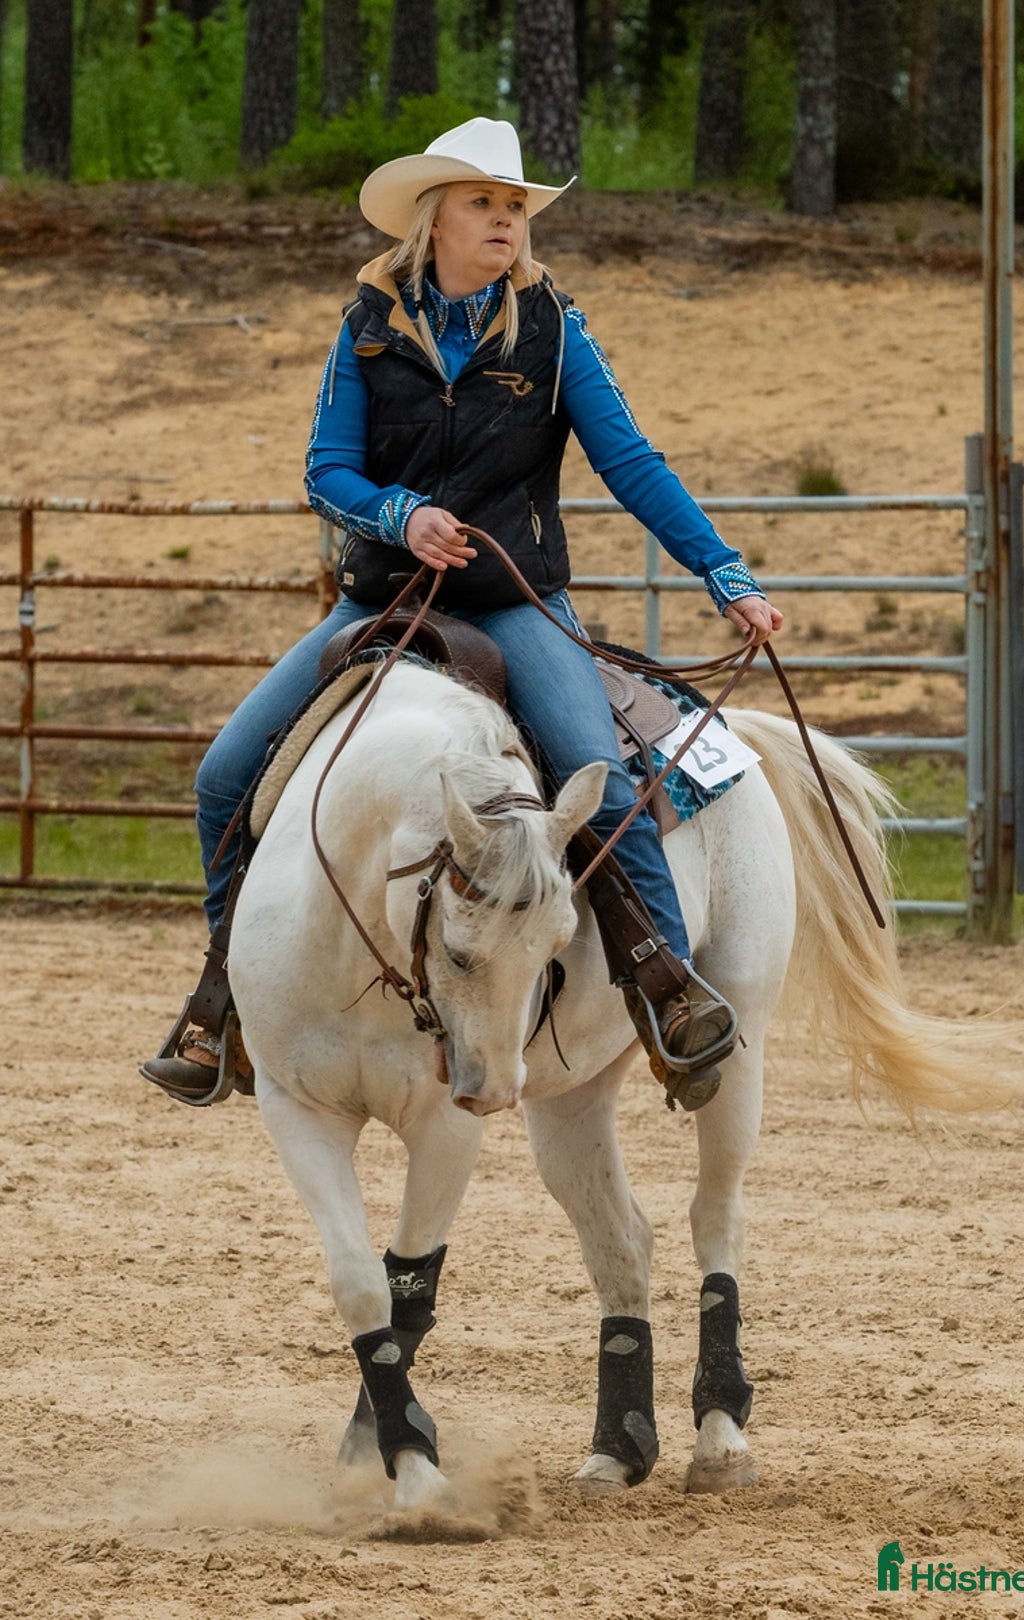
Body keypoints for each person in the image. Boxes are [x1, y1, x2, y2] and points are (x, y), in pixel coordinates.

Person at [141, 117, 782, 1111]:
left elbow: (633, 463)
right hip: (379, 599)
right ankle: (220, 1000)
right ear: (433, 217)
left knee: (596, 775)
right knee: (226, 776)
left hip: (512, 600)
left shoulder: (555, 329)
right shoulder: (364, 326)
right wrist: (402, 514)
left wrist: (724, 572)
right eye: (485, 202)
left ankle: (664, 986)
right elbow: (329, 471)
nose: (505, 221)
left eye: (516, 206)